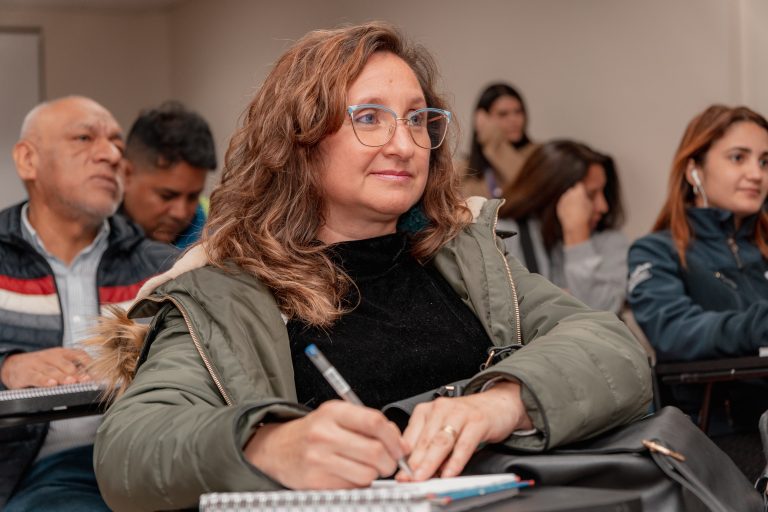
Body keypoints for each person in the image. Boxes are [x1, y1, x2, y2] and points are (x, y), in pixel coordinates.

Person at [89, 23, 651, 511]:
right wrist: (269, 444)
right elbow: (128, 450)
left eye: (417, 120)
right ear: (300, 139)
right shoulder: (225, 293)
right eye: (369, 118)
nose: (404, 145)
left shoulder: (460, 255)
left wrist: (501, 403)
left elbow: (611, 347)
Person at [0, 96, 178, 510]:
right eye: (85, 138)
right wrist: (7, 366)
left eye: (117, 142)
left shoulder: (161, 269)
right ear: (28, 160)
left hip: (147, 463)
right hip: (28, 473)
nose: (112, 154)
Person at [628, 105, 768, 429]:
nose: (757, 174)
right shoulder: (655, 251)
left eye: (764, 161)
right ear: (694, 170)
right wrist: (760, 324)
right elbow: (675, 333)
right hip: (719, 437)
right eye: (738, 158)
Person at [497, 140, 628, 314]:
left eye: (603, 192)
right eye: (590, 195)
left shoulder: (611, 241)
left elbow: (601, 313)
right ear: (554, 193)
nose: (603, 206)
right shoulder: (503, 236)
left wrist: (577, 238)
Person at [121, 101, 217, 249]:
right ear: (126, 175)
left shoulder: (215, 233)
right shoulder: (87, 232)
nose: (181, 213)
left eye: (193, 197)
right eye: (167, 196)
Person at [460, 83, 538, 198]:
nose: (514, 120)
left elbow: (530, 188)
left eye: (518, 111)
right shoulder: (464, 170)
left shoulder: (539, 155)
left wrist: (494, 143)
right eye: (503, 114)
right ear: (482, 119)